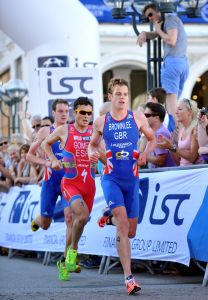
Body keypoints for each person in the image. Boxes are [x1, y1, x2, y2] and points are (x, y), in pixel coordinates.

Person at [88, 77, 156, 295]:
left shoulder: (136, 117)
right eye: (118, 94)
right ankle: (129, 278)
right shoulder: (101, 121)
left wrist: (145, 153)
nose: (122, 98)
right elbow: (92, 145)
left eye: (125, 94)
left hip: (132, 179)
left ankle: (109, 217)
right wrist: (92, 154)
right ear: (110, 96)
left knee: (132, 231)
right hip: (111, 178)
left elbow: (152, 138)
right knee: (123, 226)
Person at [42, 97, 97, 280]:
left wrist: (100, 160)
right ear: (75, 113)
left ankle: (64, 260)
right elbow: (44, 144)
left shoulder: (94, 131)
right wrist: (53, 160)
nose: (86, 116)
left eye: (89, 113)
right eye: (83, 112)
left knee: (81, 221)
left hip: (89, 184)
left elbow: (102, 152)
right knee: (80, 216)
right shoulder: (65, 129)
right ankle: (73, 254)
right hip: (70, 183)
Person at [26, 99, 76, 281]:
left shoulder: (73, 130)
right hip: (50, 182)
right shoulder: (46, 131)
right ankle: (39, 220)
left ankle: (65, 260)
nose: (64, 114)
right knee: (46, 224)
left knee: (70, 218)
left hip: (68, 182)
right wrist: (47, 162)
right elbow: (29, 155)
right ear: (54, 113)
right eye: (60, 111)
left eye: (66, 111)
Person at [137, 3, 189, 118]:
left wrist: (158, 29)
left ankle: (174, 133)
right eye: (147, 17)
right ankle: (180, 132)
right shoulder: (167, 22)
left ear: (158, 11)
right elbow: (155, 34)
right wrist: (144, 33)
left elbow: (171, 40)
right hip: (182, 62)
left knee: (171, 108)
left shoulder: (170, 20)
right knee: (175, 103)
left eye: (150, 14)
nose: (150, 18)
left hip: (172, 64)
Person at [157, 98, 200, 166]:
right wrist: (170, 146)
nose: (176, 112)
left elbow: (192, 158)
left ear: (190, 112)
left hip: (193, 173)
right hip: (182, 170)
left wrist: (172, 147)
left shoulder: (195, 129)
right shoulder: (181, 130)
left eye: (180, 109)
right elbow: (178, 161)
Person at [144, 102, 175, 168]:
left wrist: (141, 155)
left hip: (164, 175)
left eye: (147, 115)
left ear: (156, 118)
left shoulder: (161, 133)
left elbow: (160, 160)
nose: (144, 117)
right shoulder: (155, 132)